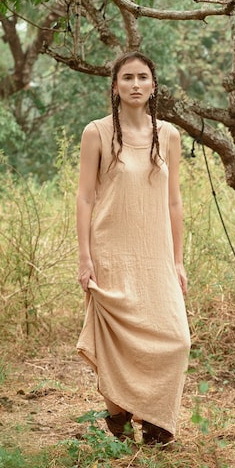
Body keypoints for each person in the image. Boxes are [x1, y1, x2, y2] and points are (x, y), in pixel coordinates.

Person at [75, 51, 191, 446]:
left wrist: (177, 260)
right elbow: (85, 198)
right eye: (127, 77)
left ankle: (157, 418)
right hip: (111, 251)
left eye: (143, 77)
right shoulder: (97, 132)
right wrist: (84, 257)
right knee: (116, 340)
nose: (136, 84)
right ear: (115, 86)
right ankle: (118, 416)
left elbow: (174, 201)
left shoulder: (170, 135)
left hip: (156, 254)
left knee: (176, 338)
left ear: (154, 85)